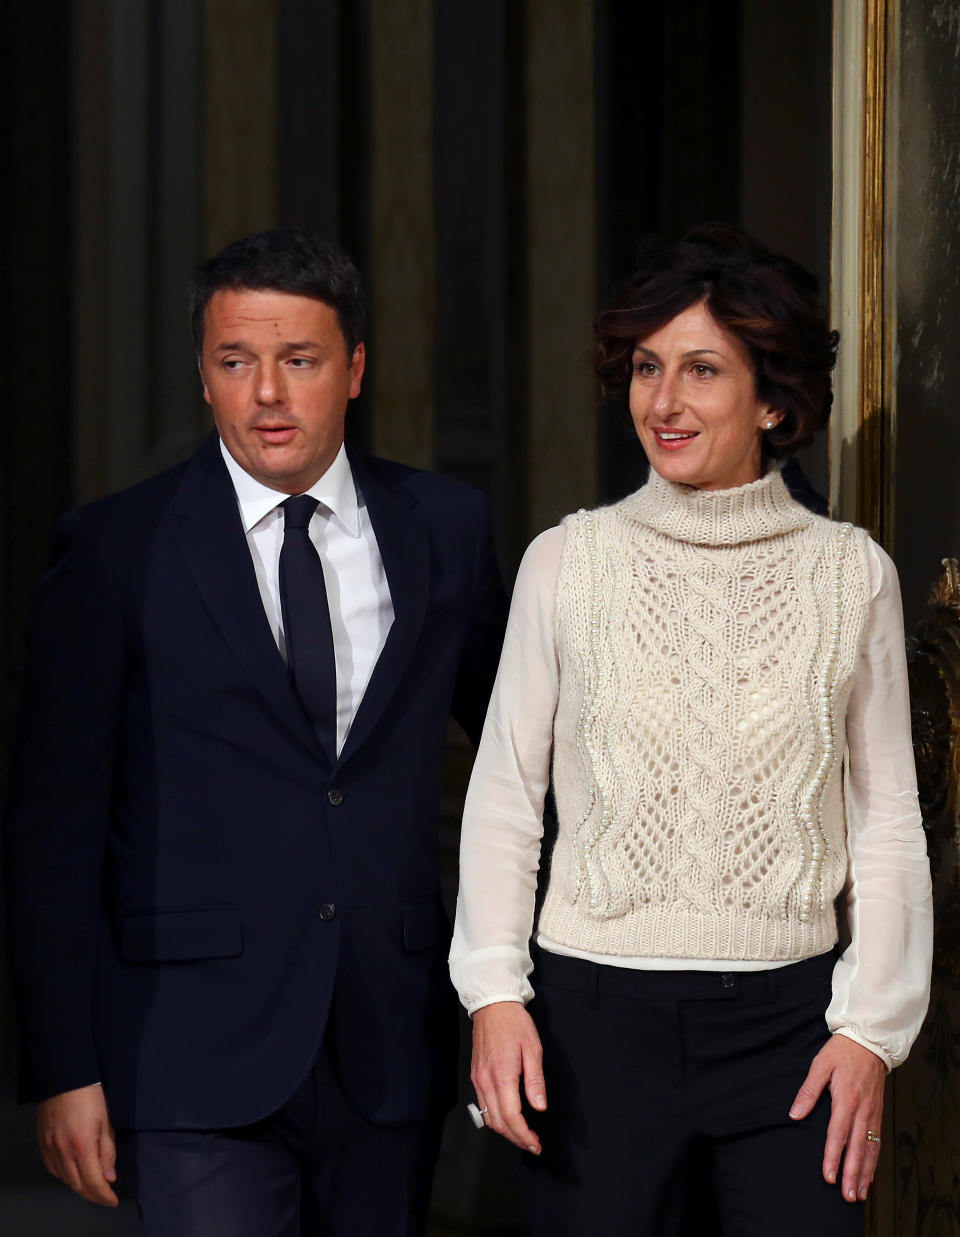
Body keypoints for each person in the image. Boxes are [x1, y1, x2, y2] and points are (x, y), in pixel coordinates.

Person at [4, 228, 507, 1236]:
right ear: (203, 373)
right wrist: (63, 1068)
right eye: (236, 362)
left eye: (300, 361)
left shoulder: (444, 529)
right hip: (187, 1051)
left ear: (355, 369)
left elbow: (525, 762)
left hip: (386, 1037)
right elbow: (54, 826)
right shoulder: (115, 549)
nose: (267, 394)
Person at [450, 223, 932, 1236]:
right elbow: (504, 795)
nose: (662, 403)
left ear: (773, 395)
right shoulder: (565, 564)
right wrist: (494, 993)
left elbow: (886, 820)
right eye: (646, 368)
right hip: (589, 1032)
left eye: (701, 370)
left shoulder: (852, 576)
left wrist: (870, 1031)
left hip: (795, 1039)